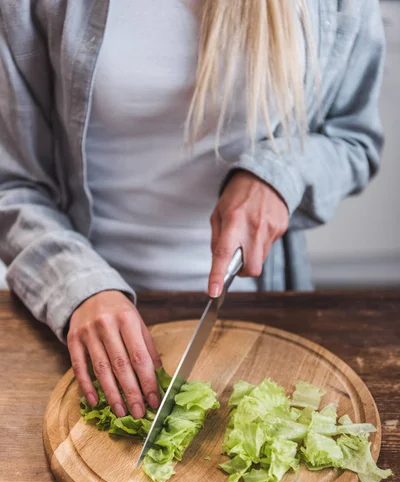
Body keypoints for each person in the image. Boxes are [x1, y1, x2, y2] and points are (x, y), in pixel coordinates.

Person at [0, 1, 385, 420]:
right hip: (84, 316)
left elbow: (354, 140)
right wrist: (76, 287)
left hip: (262, 309)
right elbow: (12, 183)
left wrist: (278, 176)